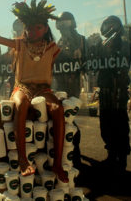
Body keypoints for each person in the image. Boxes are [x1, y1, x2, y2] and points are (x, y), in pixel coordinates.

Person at [0, 0, 69, 182]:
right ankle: (23, 160)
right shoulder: (19, 44)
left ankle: (57, 163)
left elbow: (68, 61)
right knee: (21, 105)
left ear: (46, 29)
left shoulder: (52, 48)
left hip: (43, 89)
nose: (33, 31)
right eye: (30, 28)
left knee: (57, 109)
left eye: (38, 28)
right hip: (22, 87)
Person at [97, 16, 131, 174]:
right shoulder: (101, 45)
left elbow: (127, 58)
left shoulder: (124, 44)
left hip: (118, 91)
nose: (109, 27)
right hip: (104, 90)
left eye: (112, 24)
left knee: (120, 125)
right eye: (107, 24)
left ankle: (122, 159)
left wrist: (115, 46)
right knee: (106, 124)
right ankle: (111, 155)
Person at [54, 11, 86, 168]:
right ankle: (69, 151)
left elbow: (84, 62)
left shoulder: (79, 40)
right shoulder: (59, 42)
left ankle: (75, 154)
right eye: (60, 22)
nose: (61, 25)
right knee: (63, 120)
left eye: (64, 22)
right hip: (59, 86)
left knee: (70, 119)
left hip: (72, 86)